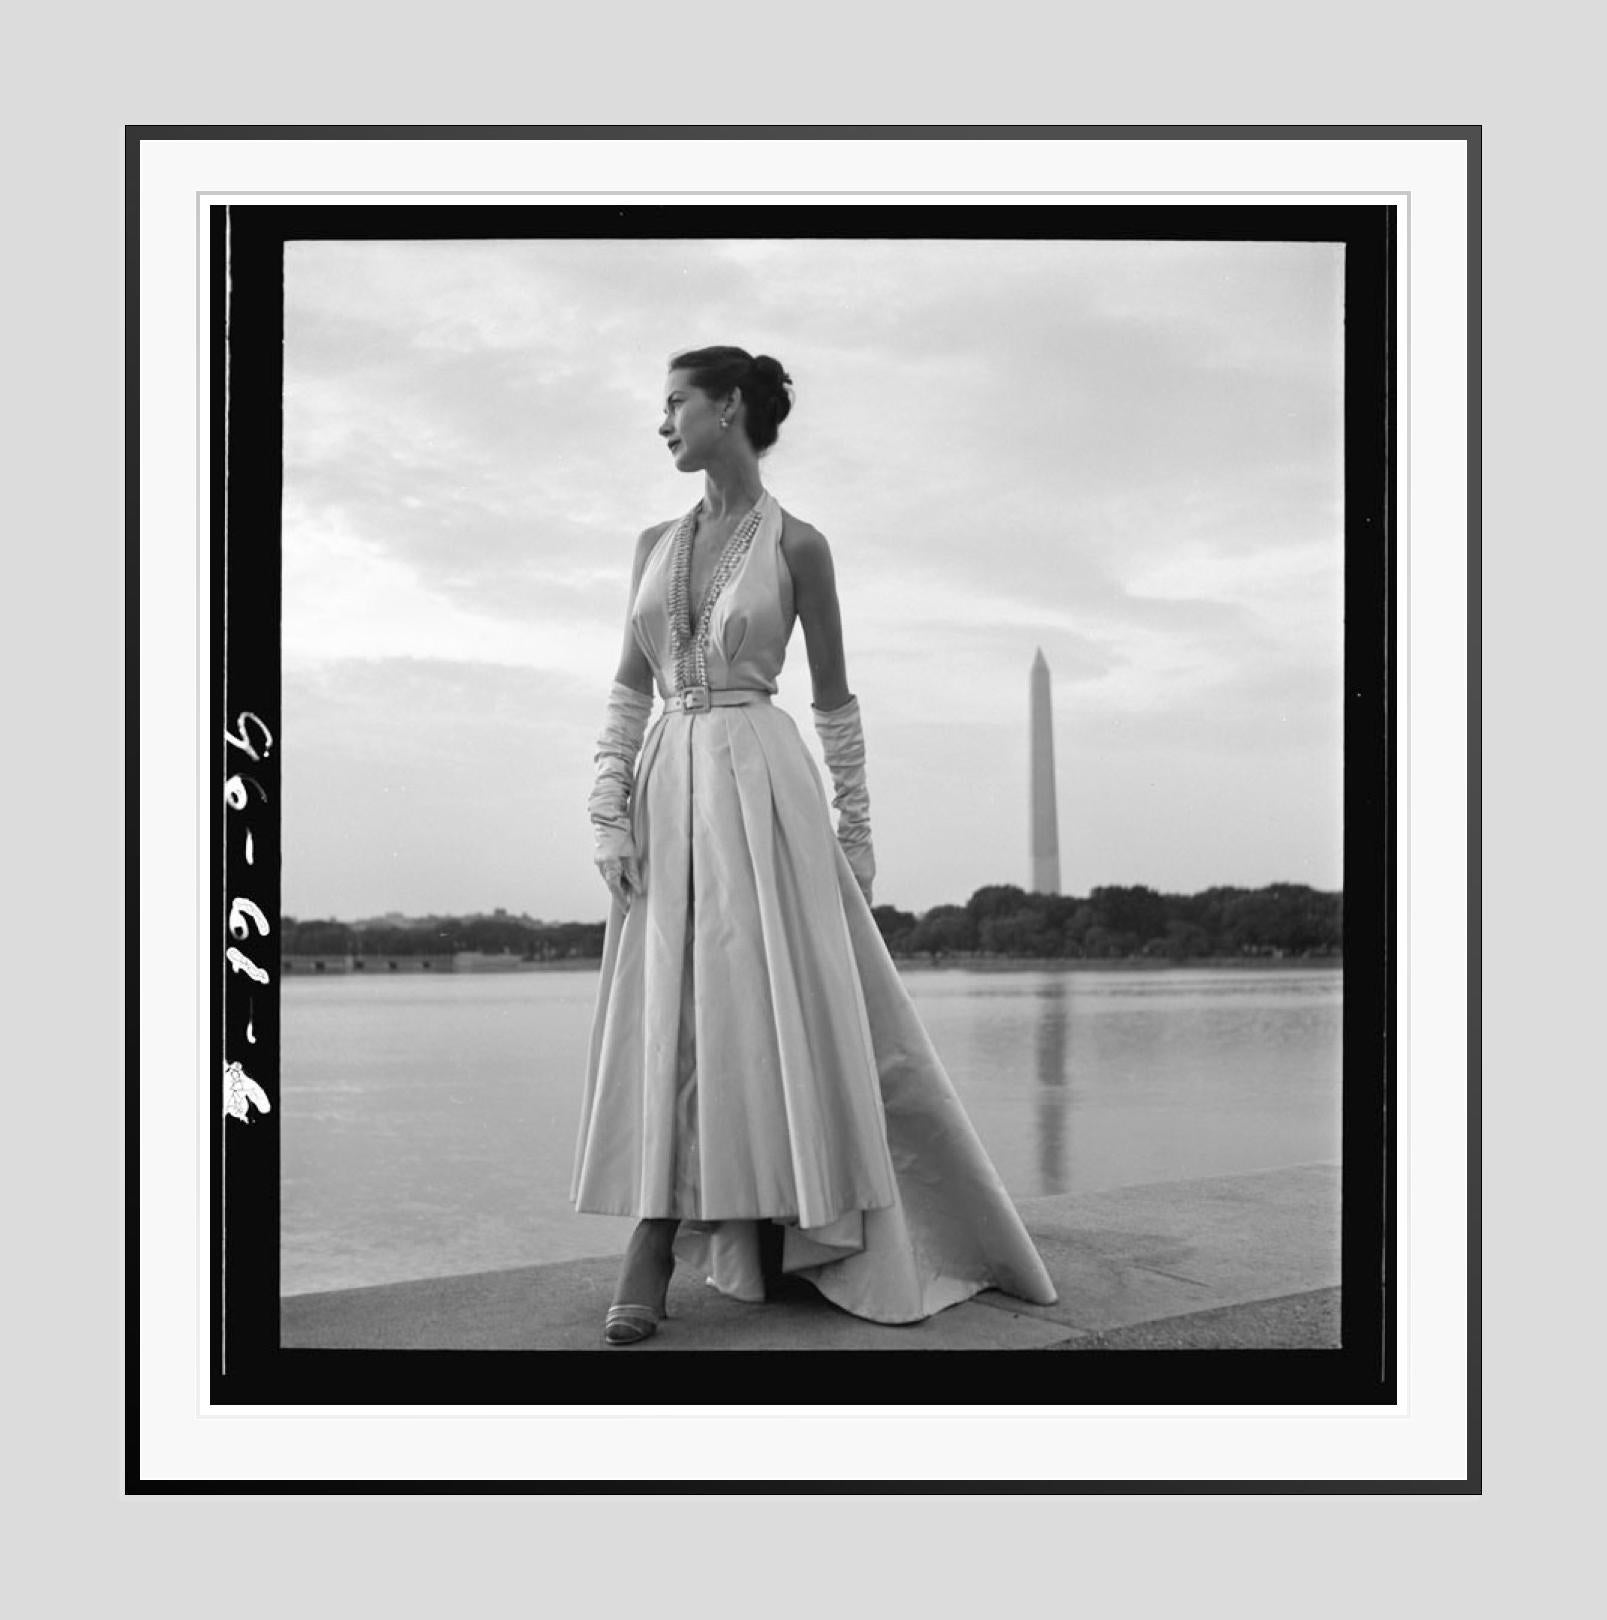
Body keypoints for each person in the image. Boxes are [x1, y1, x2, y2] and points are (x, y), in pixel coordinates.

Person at [573, 345, 1057, 1345]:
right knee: (671, 1010)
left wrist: (857, 830)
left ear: (730, 407)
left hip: (762, 787)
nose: (660, 423)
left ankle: (749, 1227)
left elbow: (833, 696)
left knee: (760, 1015)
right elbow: (628, 687)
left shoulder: (800, 546)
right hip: (669, 785)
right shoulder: (651, 543)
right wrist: (605, 806)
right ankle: (651, 1236)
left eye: (674, 404)